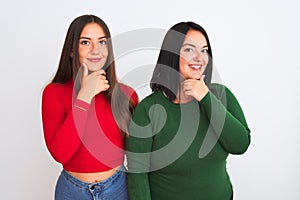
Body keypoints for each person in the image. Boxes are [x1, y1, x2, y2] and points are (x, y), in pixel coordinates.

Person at [126, 21, 251, 200]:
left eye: (204, 50)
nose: (199, 58)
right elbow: (138, 175)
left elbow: (240, 145)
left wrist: (206, 98)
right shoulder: (148, 110)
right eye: (189, 49)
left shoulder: (221, 95)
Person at [41, 14, 138, 200]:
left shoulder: (127, 95)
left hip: (118, 188)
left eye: (102, 42)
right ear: (71, 50)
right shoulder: (54, 93)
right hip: (72, 191)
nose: (96, 50)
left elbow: (139, 157)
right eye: (86, 42)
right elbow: (61, 153)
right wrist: (84, 96)